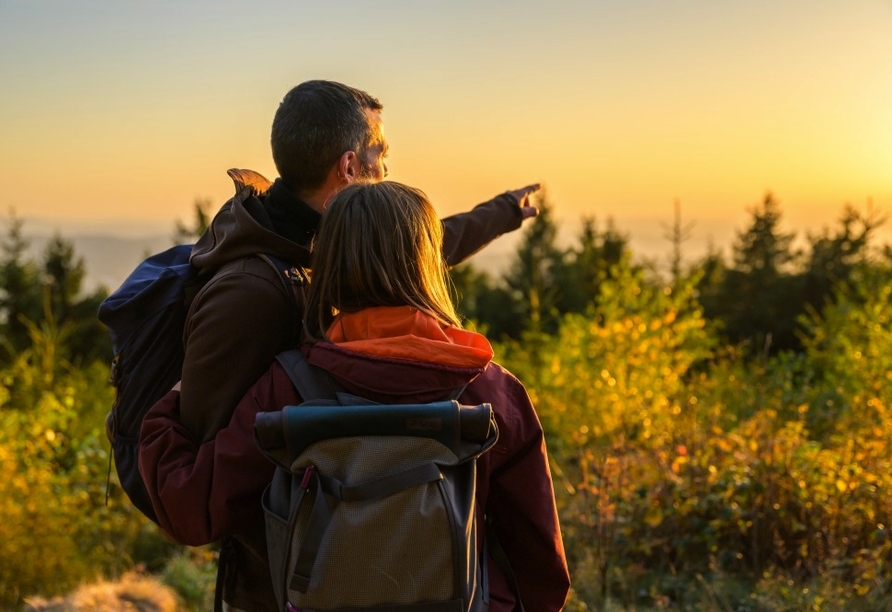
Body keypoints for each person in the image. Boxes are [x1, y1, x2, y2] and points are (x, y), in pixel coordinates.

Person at [140, 181, 571, 611]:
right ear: (427, 265)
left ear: (328, 261)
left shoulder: (288, 387)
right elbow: (541, 570)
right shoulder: (492, 393)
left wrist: (165, 410)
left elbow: (191, 509)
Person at [179, 79, 541, 448]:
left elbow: (411, 252)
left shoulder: (316, 241)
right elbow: (205, 455)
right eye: (380, 154)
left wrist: (503, 212)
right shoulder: (250, 291)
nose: (386, 169)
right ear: (349, 167)